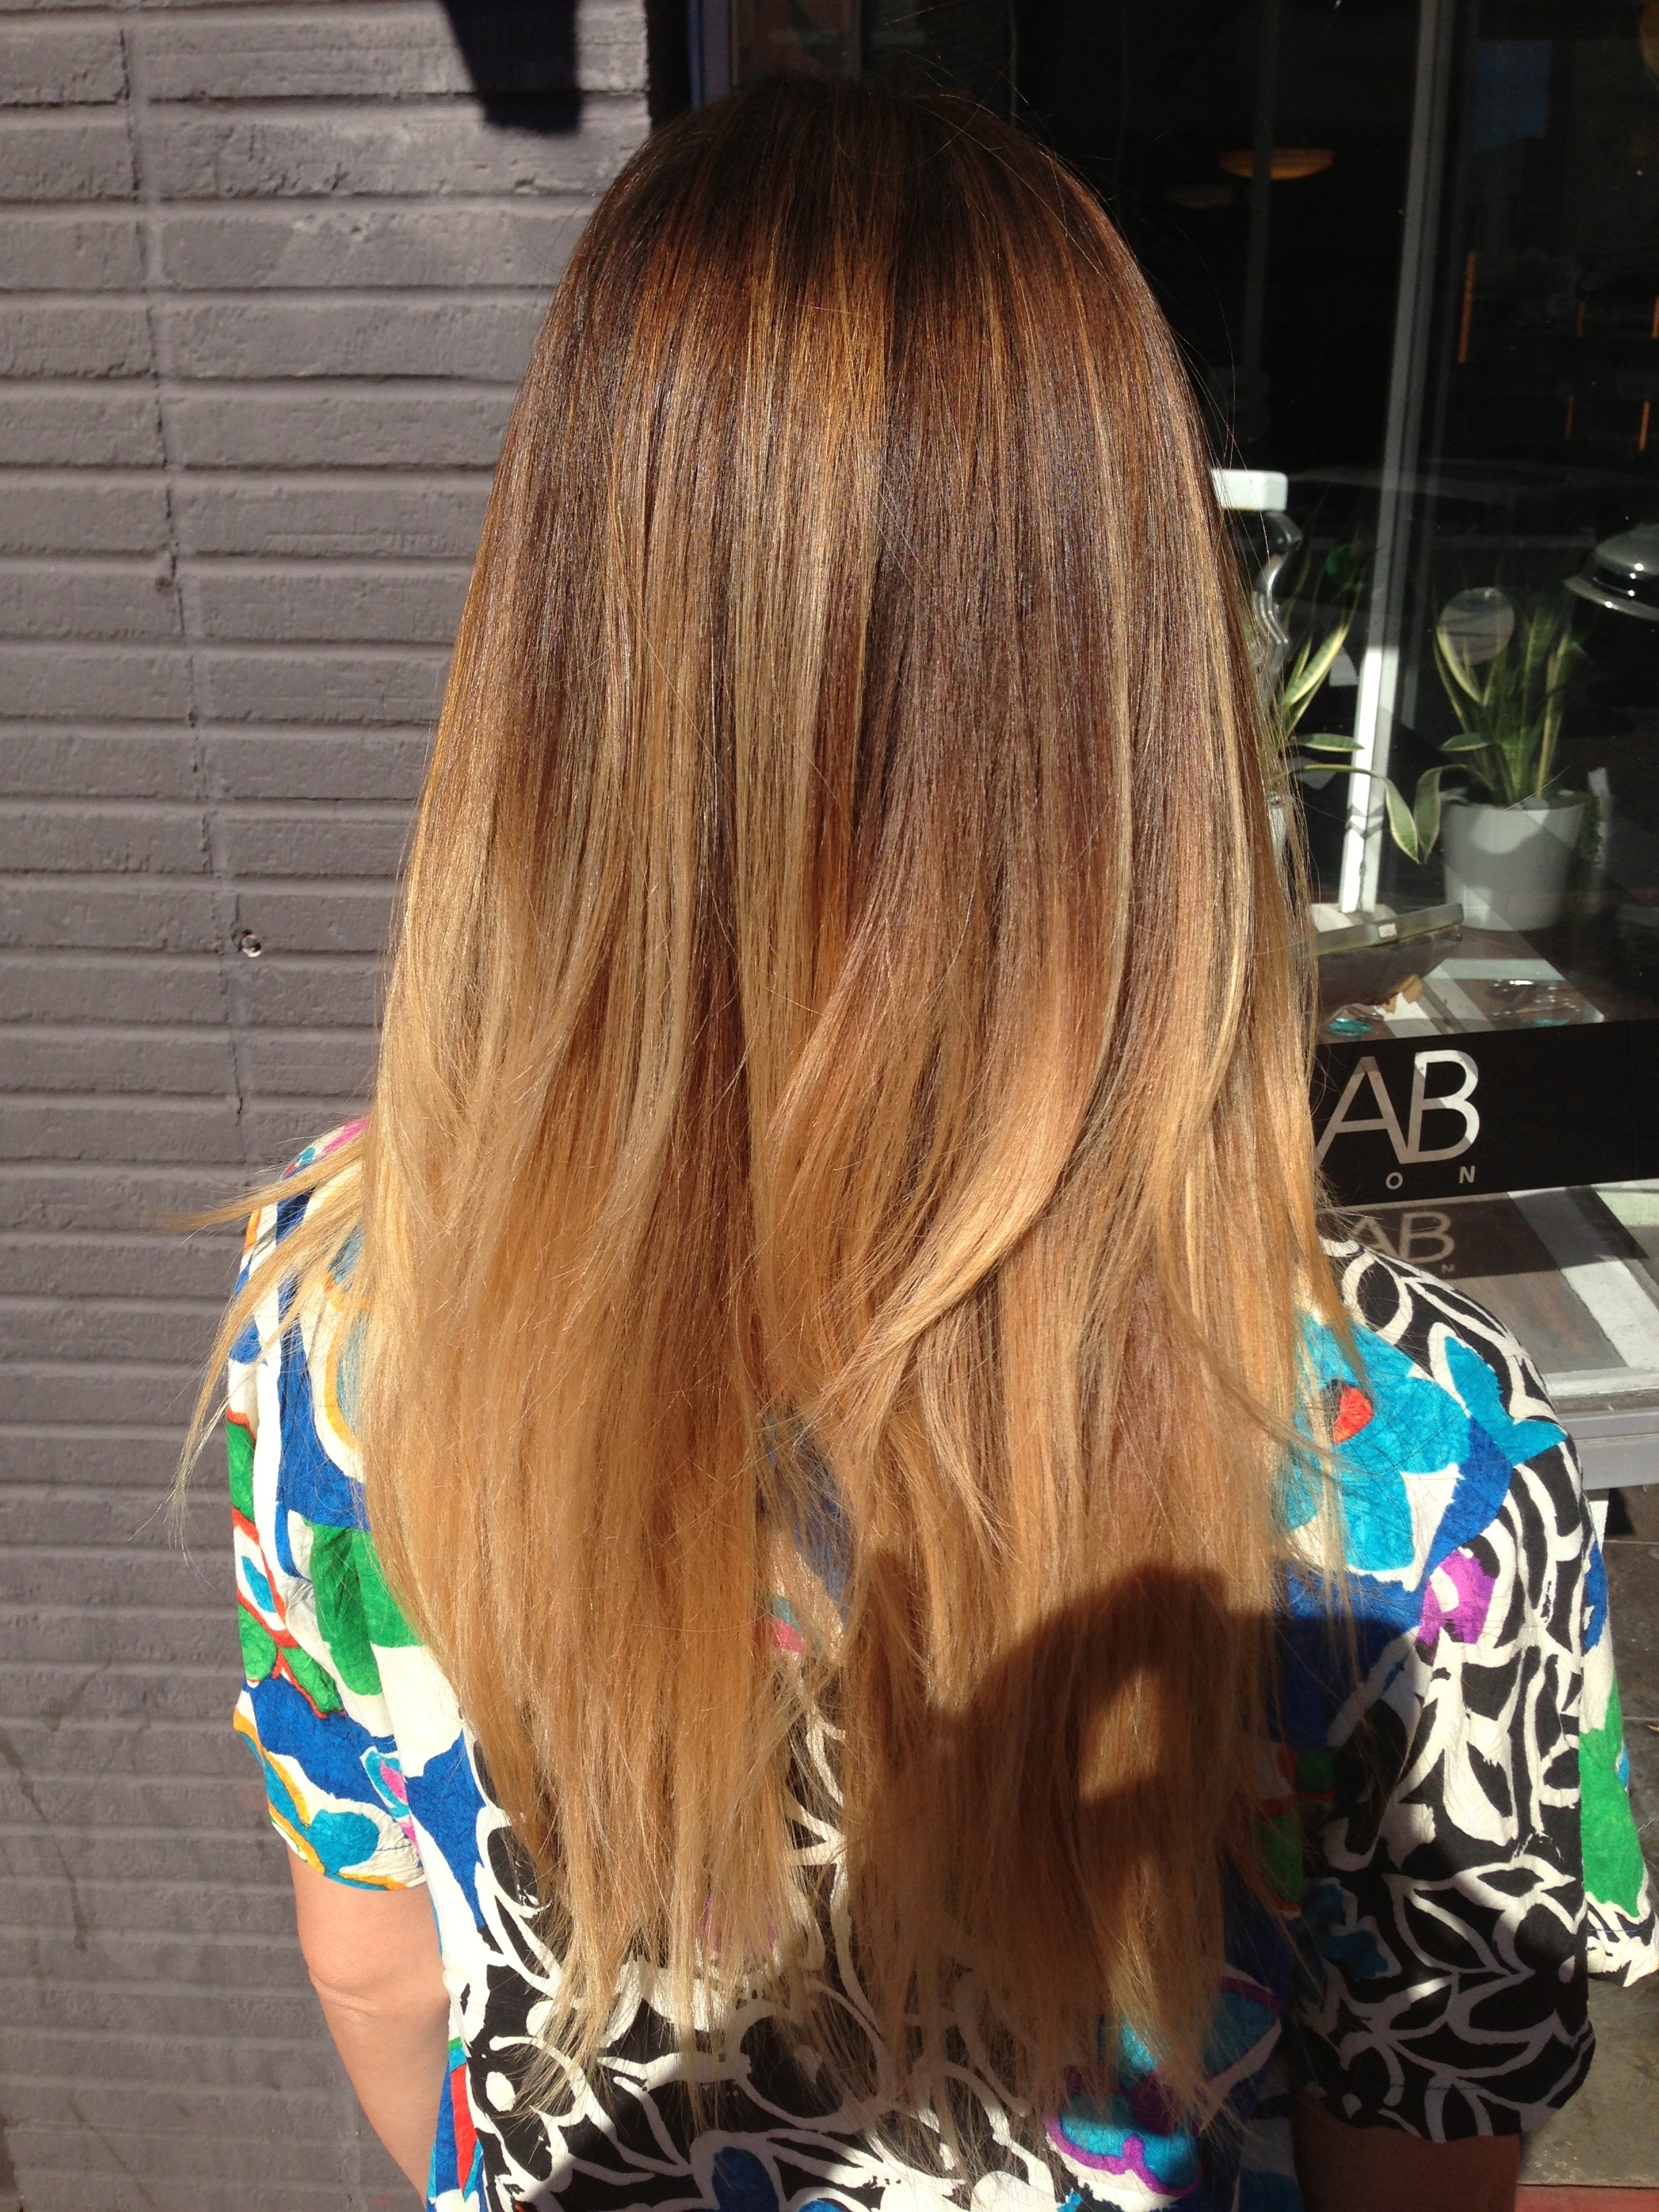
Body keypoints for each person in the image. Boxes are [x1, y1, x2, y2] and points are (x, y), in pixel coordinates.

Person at [196, 75, 1656, 2212]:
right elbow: (1426, 2160)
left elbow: (377, 1968)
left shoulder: (338, 1324)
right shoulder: (1432, 1477)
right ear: (1159, 705)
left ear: (557, 690)